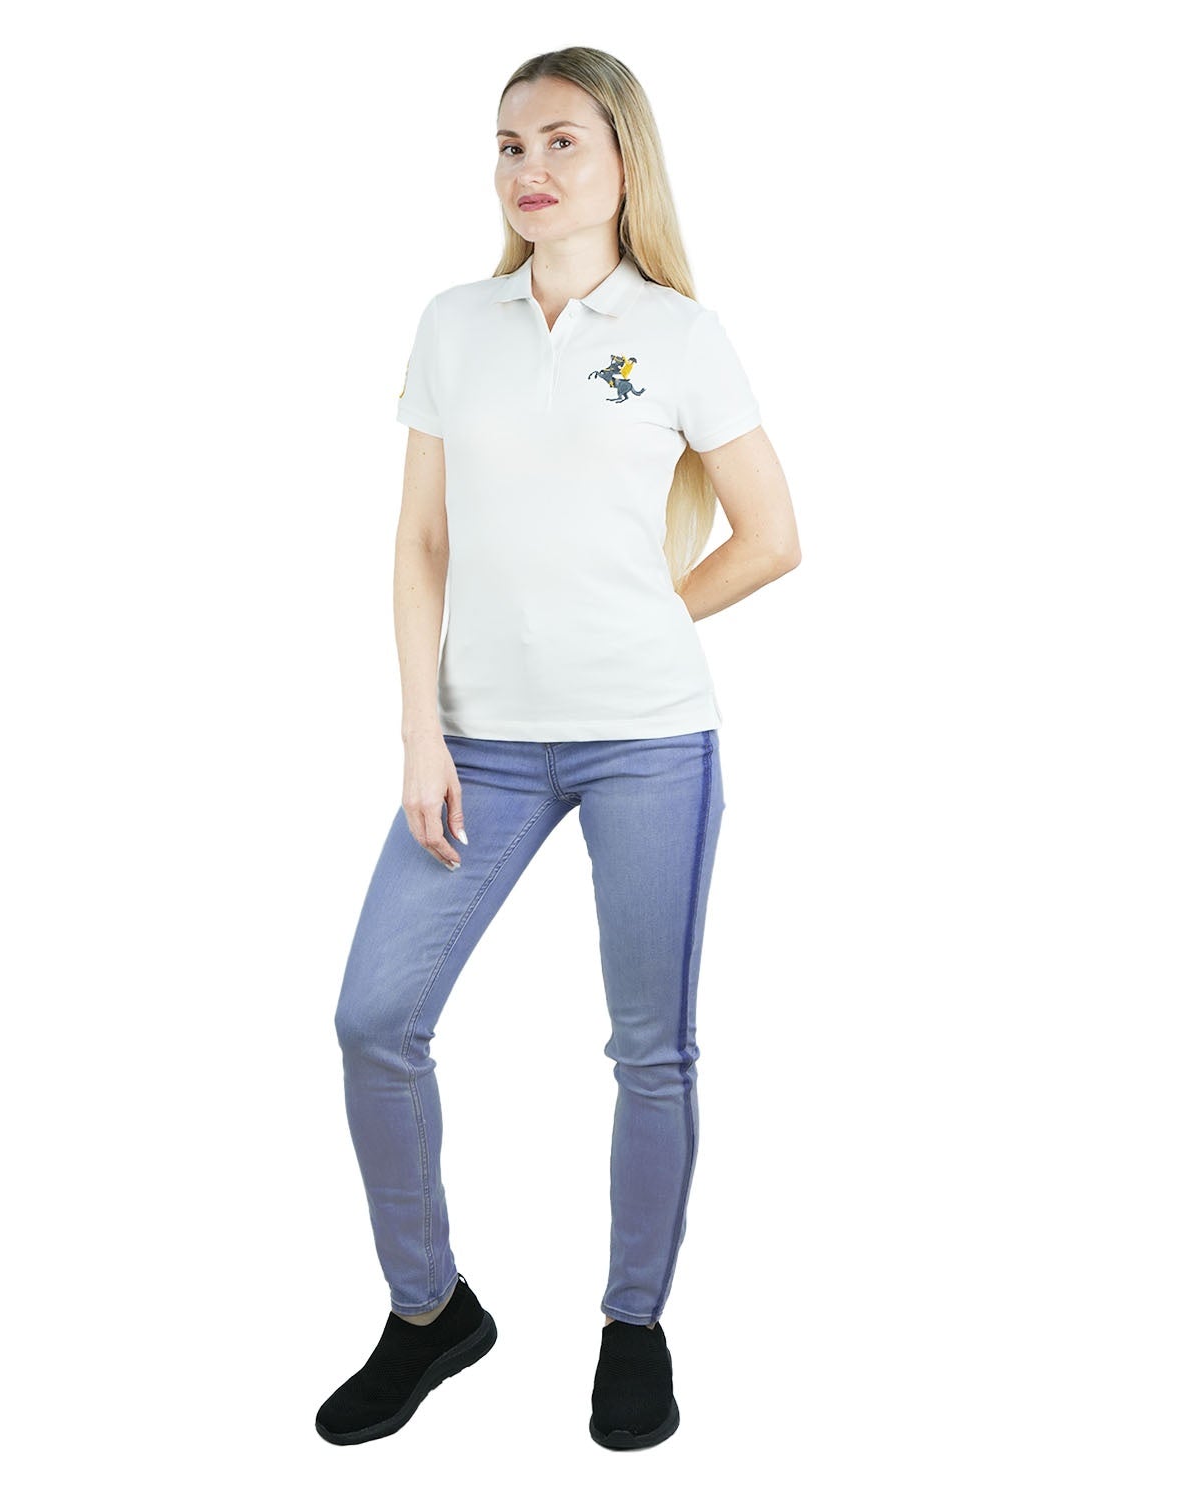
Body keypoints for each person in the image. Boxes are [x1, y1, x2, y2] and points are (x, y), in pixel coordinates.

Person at [316, 46, 800, 1450]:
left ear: (623, 160)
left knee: (651, 1049)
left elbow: (773, 538)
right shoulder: (453, 325)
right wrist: (421, 731)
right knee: (374, 1019)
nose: (530, 169)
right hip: (481, 745)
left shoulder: (681, 335)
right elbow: (419, 542)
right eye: (509, 145)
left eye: (561, 142)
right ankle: (430, 1312)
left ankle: (633, 1325)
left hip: (648, 742)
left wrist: (640, 621)